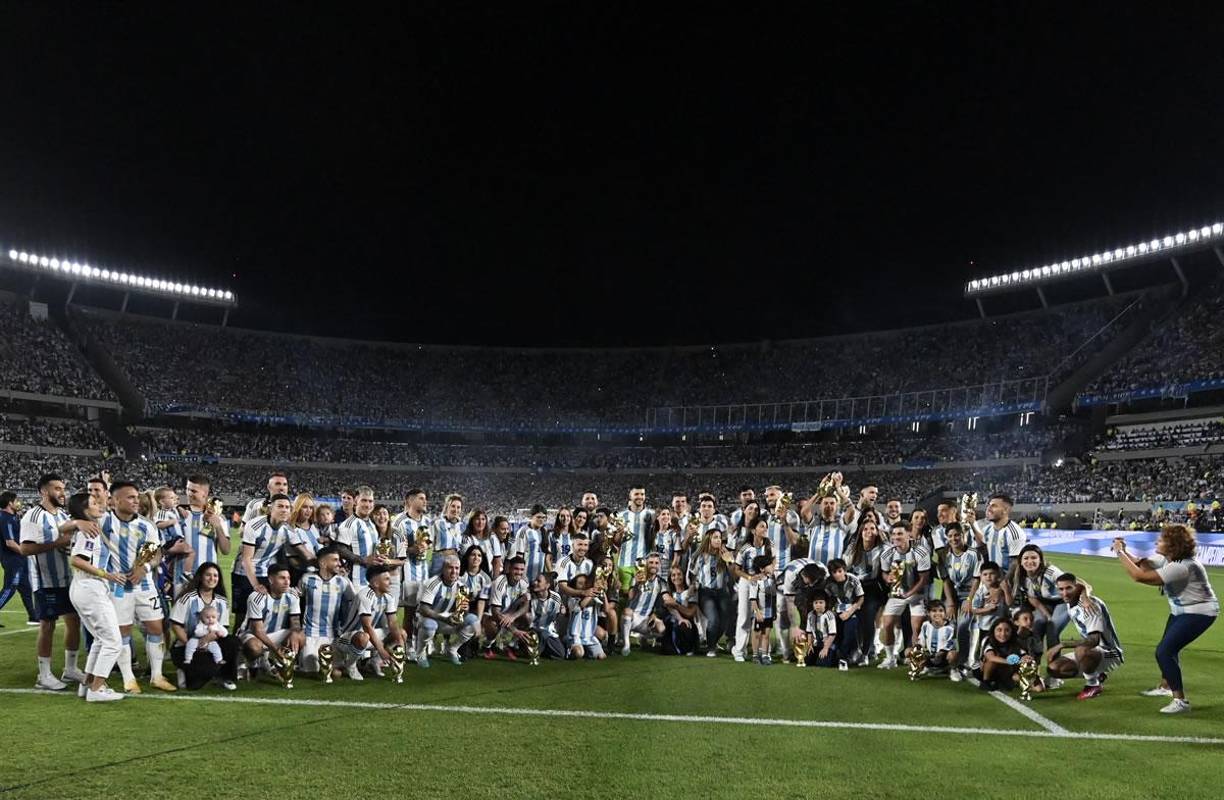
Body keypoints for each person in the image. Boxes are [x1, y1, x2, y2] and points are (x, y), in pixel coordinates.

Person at [1112, 525, 1217, 714]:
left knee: (1164, 651)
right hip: (1181, 610)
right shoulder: (1168, 559)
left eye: (1161, 540)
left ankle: (1180, 701)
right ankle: (1166, 686)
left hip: (1199, 612)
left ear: (1173, 545)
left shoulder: (1182, 566)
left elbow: (1139, 576)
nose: (1156, 542)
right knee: (1170, 649)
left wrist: (1120, 552)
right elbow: (1143, 564)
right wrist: (1126, 552)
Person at [104, 481, 176, 693]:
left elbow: (155, 555)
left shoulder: (146, 525)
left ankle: (157, 675)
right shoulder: (104, 522)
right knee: (122, 631)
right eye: (130, 497)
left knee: (156, 628)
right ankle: (128, 678)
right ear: (115, 500)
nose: (136, 501)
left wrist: (143, 567)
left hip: (145, 586)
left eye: (136, 497)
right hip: (118, 587)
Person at [20, 473, 89, 690]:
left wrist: (67, 546)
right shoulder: (33, 516)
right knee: (48, 625)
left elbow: (67, 543)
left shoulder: (62, 516)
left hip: (66, 578)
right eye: (57, 488)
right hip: (45, 580)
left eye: (63, 488)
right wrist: (57, 542)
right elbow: (25, 549)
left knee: (73, 621)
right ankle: (44, 674)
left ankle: (70, 669)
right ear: (44, 491)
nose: (62, 492)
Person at [65, 491, 125, 702]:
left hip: (83, 588)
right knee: (113, 642)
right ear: (84, 510)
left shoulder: (88, 528)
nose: (99, 505)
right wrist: (107, 575)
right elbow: (77, 560)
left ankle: (88, 685)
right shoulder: (87, 532)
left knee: (101, 639)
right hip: (90, 588)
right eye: (93, 503)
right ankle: (97, 689)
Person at [1044, 574, 1124, 700]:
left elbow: (1094, 641)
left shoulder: (1089, 607)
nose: (1064, 593)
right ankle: (1097, 674)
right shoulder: (1072, 602)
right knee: (1054, 668)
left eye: (1068, 588)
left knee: (1081, 650)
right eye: (1061, 589)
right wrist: (1084, 592)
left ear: (1075, 588)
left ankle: (1093, 685)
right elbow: (1081, 584)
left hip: (1110, 653)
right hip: (1094, 652)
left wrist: (1062, 644)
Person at [169, 562, 237, 690]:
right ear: (200, 577)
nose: (212, 578)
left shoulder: (222, 601)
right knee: (195, 684)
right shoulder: (187, 598)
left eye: (215, 576)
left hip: (211, 644)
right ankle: (183, 670)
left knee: (233, 642)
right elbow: (176, 626)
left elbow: (223, 629)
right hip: (186, 646)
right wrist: (193, 644)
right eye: (208, 575)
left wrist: (208, 640)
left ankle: (225, 677)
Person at [232, 493, 291, 630]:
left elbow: (302, 551)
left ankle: (257, 647)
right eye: (280, 506)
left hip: (265, 574)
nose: (284, 510)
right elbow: (247, 558)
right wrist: (256, 585)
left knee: (261, 616)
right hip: (244, 574)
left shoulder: (288, 530)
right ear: (271, 508)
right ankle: (237, 648)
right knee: (241, 617)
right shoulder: (255, 525)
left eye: (287, 507)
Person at [877, 522, 931, 670]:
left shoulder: (921, 552)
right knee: (887, 624)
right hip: (897, 593)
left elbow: (924, 578)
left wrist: (909, 593)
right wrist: (887, 577)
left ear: (909, 534)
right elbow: (884, 572)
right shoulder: (887, 553)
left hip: (917, 594)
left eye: (900, 534)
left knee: (917, 627)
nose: (896, 537)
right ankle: (890, 658)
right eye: (894, 534)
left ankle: (918, 661)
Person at [298, 545, 357, 679]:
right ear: (323, 563)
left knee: (335, 674)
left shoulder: (342, 582)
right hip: (310, 635)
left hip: (333, 636)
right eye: (335, 560)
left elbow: (355, 602)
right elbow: (296, 598)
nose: (339, 563)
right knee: (312, 672)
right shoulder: (307, 579)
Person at [238, 563, 304, 682]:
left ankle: (276, 662)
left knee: (300, 636)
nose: (287, 582)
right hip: (252, 634)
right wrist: (276, 650)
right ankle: (247, 659)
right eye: (282, 578)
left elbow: (295, 622)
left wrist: (295, 633)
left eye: (288, 578)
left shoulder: (292, 595)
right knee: (255, 647)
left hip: (274, 634)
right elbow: (257, 630)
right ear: (271, 579)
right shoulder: (257, 597)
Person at [338, 564, 405, 680]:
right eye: (386, 579)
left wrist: (400, 645)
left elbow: (393, 623)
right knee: (364, 637)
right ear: (375, 583)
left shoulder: (388, 597)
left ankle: (375, 661)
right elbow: (367, 627)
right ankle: (351, 665)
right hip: (348, 637)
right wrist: (382, 650)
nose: (390, 582)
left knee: (401, 633)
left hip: (369, 636)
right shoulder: (365, 596)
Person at [415, 554, 478, 667]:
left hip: (448, 620)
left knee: (473, 620)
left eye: (457, 568)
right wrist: (444, 619)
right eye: (450, 567)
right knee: (429, 626)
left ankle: (453, 649)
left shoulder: (462, 586)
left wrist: (465, 609)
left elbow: (462, 612)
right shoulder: (433, 583)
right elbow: (423, 609)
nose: (454, 571)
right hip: (430, 619)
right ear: (443, 569)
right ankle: (420, 652)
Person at [173, 475, 230, 593]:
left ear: (205, 493)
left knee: (207, 611)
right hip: (181, 576)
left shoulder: (219, 518)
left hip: (208, 578)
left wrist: (218, 527)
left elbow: (226, 550)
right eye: (187, 489)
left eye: (193, 491)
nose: (189, 493)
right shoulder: (178, 515)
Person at [1008, 544, 1067, 648]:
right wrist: (1047, 615)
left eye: (1034, 558)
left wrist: (1085, 596)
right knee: (1037, 625)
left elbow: (1074, 584)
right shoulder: (1022, 577)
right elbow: (1032, 598)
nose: (1030, 561)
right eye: (1026, 558)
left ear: (1040, 560)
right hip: (1044, 603)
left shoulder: (1051, 572)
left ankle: (1053, 663)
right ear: (1021, 562)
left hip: (1063, 601)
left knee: (1052, 628)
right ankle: (1033, 660)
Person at [940, 523, 979, 665]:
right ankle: (944, 659)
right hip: (953, 595)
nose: (954, 538)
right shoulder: (944, 555)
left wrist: (969, 599)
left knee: (963, 625)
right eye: (950, 536)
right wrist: (950, 603)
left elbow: (977, 579)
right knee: (947, 624)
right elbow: (946, 581)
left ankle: (966, 660)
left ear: (963, 535)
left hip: (970, 594)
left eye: (957, 535)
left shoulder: (974, 554)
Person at [0, 491, 37, 625]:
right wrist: (24, 551)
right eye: (16, 501)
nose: (19, 503)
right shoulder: (6, 519)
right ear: (10, 503)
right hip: (13, 559)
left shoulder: (13, 517)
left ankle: (33, 617)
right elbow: (9, 542)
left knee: (26, 588)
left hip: (20, 558)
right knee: (10, 588)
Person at [966, 493, 1026, 572]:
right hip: (990, 577)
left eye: (994, 506)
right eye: (988, 505)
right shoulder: (987, 529)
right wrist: (973, 523)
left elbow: (1015, 564)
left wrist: (1005, 582)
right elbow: (982, 545)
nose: (988, 508)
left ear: (1005, 510)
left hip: (1006, 579)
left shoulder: (1014, 533)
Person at [334, 486, 381, 589]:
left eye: (370, 501)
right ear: (356, 501)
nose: (368, 505)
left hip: (371, 580)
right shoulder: (349, 524)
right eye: (364, 500)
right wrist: (363, 560)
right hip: (356, 582)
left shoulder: (372, 524)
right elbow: (340, 549)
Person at [621, 553, 667, 655]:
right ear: (646, 564)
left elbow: (664, 602)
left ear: (659, 565)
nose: (654, 565)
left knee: (661, 628)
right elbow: (630, 597)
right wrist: (636, 583)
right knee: (627, 611)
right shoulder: (638, 577)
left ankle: (643, 638)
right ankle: (626, 644)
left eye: (656, 563)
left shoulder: (661, 582)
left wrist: (656, 615)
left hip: (646, 619)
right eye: (651, 562)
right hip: (632, 617)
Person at [616, 486, 655, 593]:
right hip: (624, 563)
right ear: (630, 496)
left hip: (643, 563)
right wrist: (620, 533)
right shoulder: (621, 516)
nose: (640, 497)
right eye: (636, 494)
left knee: (642, 594)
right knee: (624, 595)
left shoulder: (651, 515)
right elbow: (616, 542)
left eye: (642, 494)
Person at [916, 601, 961, 680]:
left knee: (953, 654)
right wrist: (921, 651)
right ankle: (924, 667)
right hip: (929, 656)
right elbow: (921, 640)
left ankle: (953, 670)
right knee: (910, 652)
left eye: (941, 611)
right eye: (934, 611)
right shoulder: (925, 625)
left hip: (943, 657)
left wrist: (940, 653)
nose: (938, 613)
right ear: (928, 613)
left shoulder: (950, 627)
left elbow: (951, 643)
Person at [566, 573, 604, 660]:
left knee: (601, 656)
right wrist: (593, 591)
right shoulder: (572, 600)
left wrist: (603, 591)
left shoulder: (593, 598)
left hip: (588, 636)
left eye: (585, 583)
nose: (583, 585)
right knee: (579, 654)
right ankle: (569, 650)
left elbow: (605, 608)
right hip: (575, 636)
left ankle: (586, 650)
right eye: (580, 583)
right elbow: (581, 605)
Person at [750, 553, 778, 665]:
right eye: (769, 565)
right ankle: (755, 655)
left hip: (769, 612)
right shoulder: (755, 581)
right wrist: (757, 612)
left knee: (766, 635)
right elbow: (752, 599)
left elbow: (774, 597)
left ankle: (765, 655)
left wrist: (774, 611)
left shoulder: (772, 579)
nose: (772, 567)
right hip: (760, 613)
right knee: (757, 634)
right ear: (761, 569)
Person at [430, 494, 465, 577]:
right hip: (439, 563)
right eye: (453, 506)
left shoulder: (462, 526)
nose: (455, 509)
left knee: (457, 588)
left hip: (455, 563)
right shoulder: (437, 523)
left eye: (458, 507)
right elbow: (428, 545)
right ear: (447, 507)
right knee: (435, 587)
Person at [802, 593, 840, 668]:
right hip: (816, 644)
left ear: (825, 603)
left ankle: (835, 657)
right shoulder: (810, 615)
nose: (818, 605)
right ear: (812, 604)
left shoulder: (829, 615)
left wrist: (825, 648)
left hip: (828, 644)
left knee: (822, 664)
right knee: (807, 661)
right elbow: (809, 632)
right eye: (816, 603)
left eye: (821, 602)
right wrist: (809, 645)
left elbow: (832, 634)